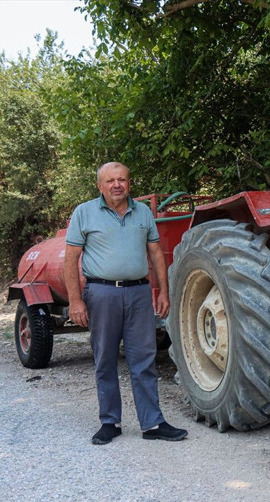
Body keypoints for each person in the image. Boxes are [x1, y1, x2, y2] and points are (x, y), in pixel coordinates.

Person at [64, 162, 188, 445]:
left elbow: (156, 253)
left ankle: (152, 423)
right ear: (100, 186)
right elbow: (71, 259)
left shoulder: (142, 212)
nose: (117, 185)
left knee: (143, 359)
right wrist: (75, 300)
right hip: (101, 292)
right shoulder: (84, 212)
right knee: (105, 358)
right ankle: (110, 422)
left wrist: (164, 292)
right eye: (110, 181)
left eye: (122, 179)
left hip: (138, 293)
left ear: (129, 183)